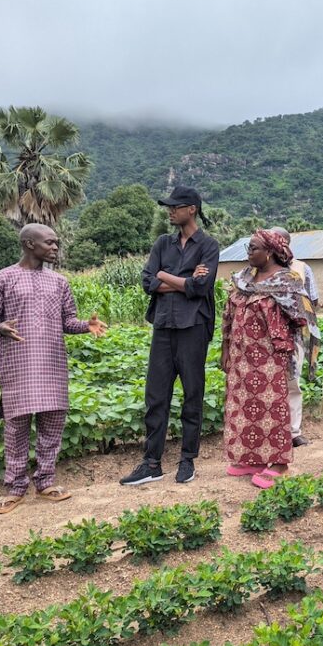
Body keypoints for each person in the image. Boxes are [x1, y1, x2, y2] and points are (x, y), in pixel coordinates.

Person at [0, 224, 107, 513]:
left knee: (52, 425)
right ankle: (15, 486)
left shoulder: (59, 282)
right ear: (28, 244)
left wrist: (86, 326)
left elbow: (67, 321)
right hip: (18, 365)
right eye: (49, 243)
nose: (55, 248)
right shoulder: (2, 279)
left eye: (56, 243)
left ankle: (46, 480)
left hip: (51, 363)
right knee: (17, 427)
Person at [120, 187, 220, 487]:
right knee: (156, 395)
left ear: (191, 209)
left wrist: (165, 276)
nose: (169, 211)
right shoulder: (163, 243)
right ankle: (151, 462)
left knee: (192, 394)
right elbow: (147, 281)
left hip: (194, 328)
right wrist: (177, 280)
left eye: (175, 207)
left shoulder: (208, 245)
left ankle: (187, 459)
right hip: (164, 325)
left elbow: (200, 288)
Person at [221, 230, 313, 488]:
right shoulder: (243, 279)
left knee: (273, 409)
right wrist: (226, 349)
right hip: (242, 357)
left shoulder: (288, 282)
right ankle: (254, 459)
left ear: (270, 252)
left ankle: (280, 464)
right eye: (248, 248)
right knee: (246, 408)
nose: (248, 253)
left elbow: (301, 319)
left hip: (271, 357)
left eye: (253, 248)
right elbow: (228, 315)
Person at [272, 226, 321, 449]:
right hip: (266, 338)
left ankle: (293, 432)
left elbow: (312, 301)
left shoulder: (302, 268)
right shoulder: (259, 268)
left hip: (295, 336)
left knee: (292, 383)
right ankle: (271, 431)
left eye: (279, 240)